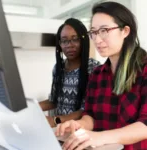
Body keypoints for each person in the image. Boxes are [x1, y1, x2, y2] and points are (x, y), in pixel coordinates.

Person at [55, 2, 147, 150]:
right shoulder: (97, 74)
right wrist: (79, 125)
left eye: (104, 30)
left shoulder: (144, 69)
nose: (97, 40)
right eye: (94, 32)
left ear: (125, 31)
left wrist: (100, 137)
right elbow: (91, 115)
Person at [39, 18, 100, 127]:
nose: (69, 45)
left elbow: (86, 109)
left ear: (83, 41)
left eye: (75, 39)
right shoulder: (58, 68)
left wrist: (55, 120)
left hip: (80, 130)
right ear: (60, 44)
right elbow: (54, 100)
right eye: (64, 40)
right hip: (60, 130)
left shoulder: (94, 68)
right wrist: (32, 108)